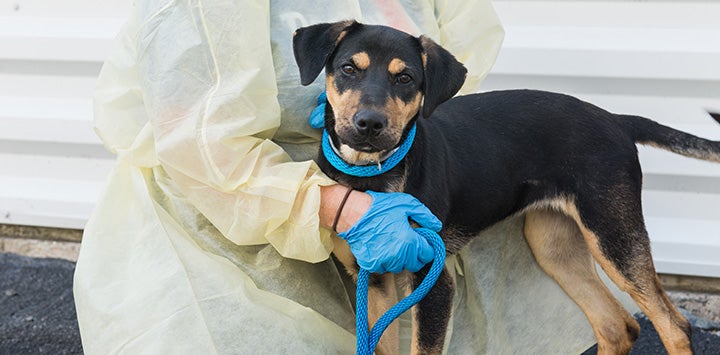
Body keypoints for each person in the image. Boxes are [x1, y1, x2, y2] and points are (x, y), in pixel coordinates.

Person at [74, 0, 633, 353]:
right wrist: (332, 205)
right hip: (231, 226)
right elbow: (191, 138)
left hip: (388, 179)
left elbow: (454, 64)